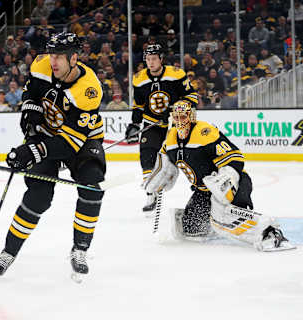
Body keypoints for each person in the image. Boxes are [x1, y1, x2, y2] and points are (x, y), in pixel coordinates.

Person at [0, 32, 105, 280]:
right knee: (39, 196)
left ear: (74, 58)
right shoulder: (41, 65)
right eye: (52, 55)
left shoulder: (88, 90)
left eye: (59, 57)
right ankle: (8, 252)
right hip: (45, 132)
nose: (53, 61)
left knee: (92, 186)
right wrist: (29, 111)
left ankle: (80, 249)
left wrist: (32, 150)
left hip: (81, 139)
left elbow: (70, 143)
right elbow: (30, 92)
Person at [145, 101, 294, 252]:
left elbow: (233, 156)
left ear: (191, 117)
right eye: (176, 117)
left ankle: (271, 234)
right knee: (191, 227)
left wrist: (225, 179)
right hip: (204, 191)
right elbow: (164, 168)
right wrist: (154, 186)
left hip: (233, 184)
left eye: (183, 117)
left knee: (224, 217)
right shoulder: (170, 140)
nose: (179, 122)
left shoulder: (204, 132)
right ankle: (217, 223)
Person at [125, 44, 198, 216]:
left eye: (153, 59)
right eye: (147, 59)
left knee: (178, 160)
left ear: (161, 59)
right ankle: (151, 193)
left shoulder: (176, 74)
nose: (150, 63)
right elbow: (139, 105)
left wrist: (174, 109)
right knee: (146, 154)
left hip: (175, 124)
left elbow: (191, 97)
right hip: (152, 123)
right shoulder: (139, 78)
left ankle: (200, 193)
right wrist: (135, 124)